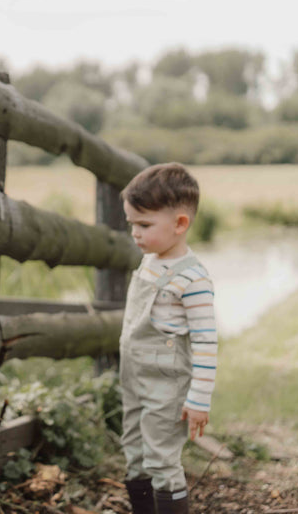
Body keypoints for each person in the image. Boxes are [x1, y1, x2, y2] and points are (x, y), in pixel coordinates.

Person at [119, 163, 217, 514]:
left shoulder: (192, 280)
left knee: (161, 458)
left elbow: (206, 342)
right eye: (132, 224)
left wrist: (199, 399)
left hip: (167, 385)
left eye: (144, 225)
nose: (135, 233)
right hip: (133, 379)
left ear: (179, 224)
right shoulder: (150, 261)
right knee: (134, 451)